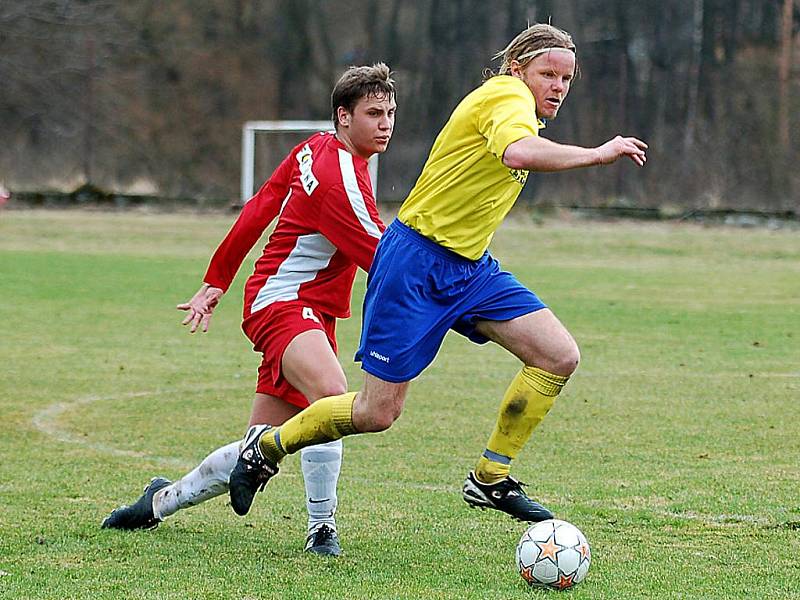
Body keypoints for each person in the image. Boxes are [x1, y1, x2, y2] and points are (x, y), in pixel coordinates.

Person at [228, 23, 648, 523]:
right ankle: (267, 448)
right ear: (518, 69)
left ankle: (490, 479)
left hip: (470, 269)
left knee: (558, 355)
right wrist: (599, 153)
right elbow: (516, 152)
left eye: (567, 79)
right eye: (549, 74)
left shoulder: (519, 107)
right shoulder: (506, 96)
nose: (558, 86)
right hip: (415, 264)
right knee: (374, 413)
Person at [101, 63, 397, 556]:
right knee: (332, 394)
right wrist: (448, 295)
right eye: (373, 113)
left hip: (306, 309)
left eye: (390, 112)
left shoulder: (316, 150)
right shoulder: (334, 172)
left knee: (256, 449)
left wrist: (215, 281)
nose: (385, 123)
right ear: (343, 117)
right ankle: (321, 528)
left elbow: (261, 205)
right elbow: (382, 257)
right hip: (282, 301)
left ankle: (158, 502)